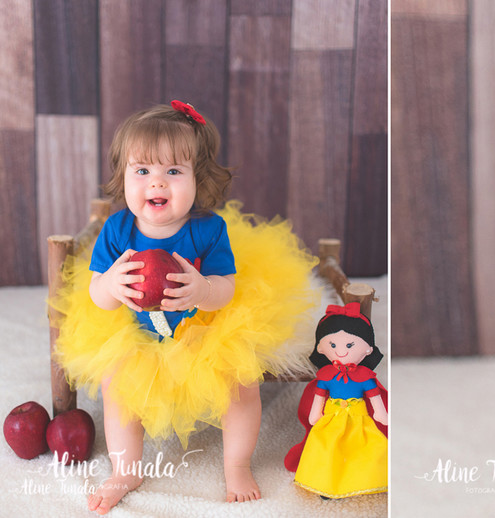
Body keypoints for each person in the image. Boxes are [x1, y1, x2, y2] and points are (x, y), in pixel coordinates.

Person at [52, 101, 320, 514]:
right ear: (122, 176)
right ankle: (126, 469)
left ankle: (237, 465)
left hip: (204, 332)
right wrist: (112, 286)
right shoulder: (118, 229)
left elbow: (226, 288)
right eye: (142, 171)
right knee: (116, 385)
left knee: (240, 385)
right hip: (139, 334)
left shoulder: (207, 229)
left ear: (200, 179)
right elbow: (94, 294)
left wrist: (201, 290)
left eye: (173, 172)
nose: (156, 184)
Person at [286, 302, 389, 499]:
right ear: (321, 348)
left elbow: (374, 396)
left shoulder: (365, 377)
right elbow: (319, 395)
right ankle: (325, 483)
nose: (341, 350)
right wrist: (315, 412)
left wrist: (381, 412)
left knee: (362, 447)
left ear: (367, 349)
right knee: (327, 447)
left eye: (350, 345)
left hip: (359, 418)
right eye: (332, 345)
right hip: (331, 417)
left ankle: (366, 480)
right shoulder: (325, 376)